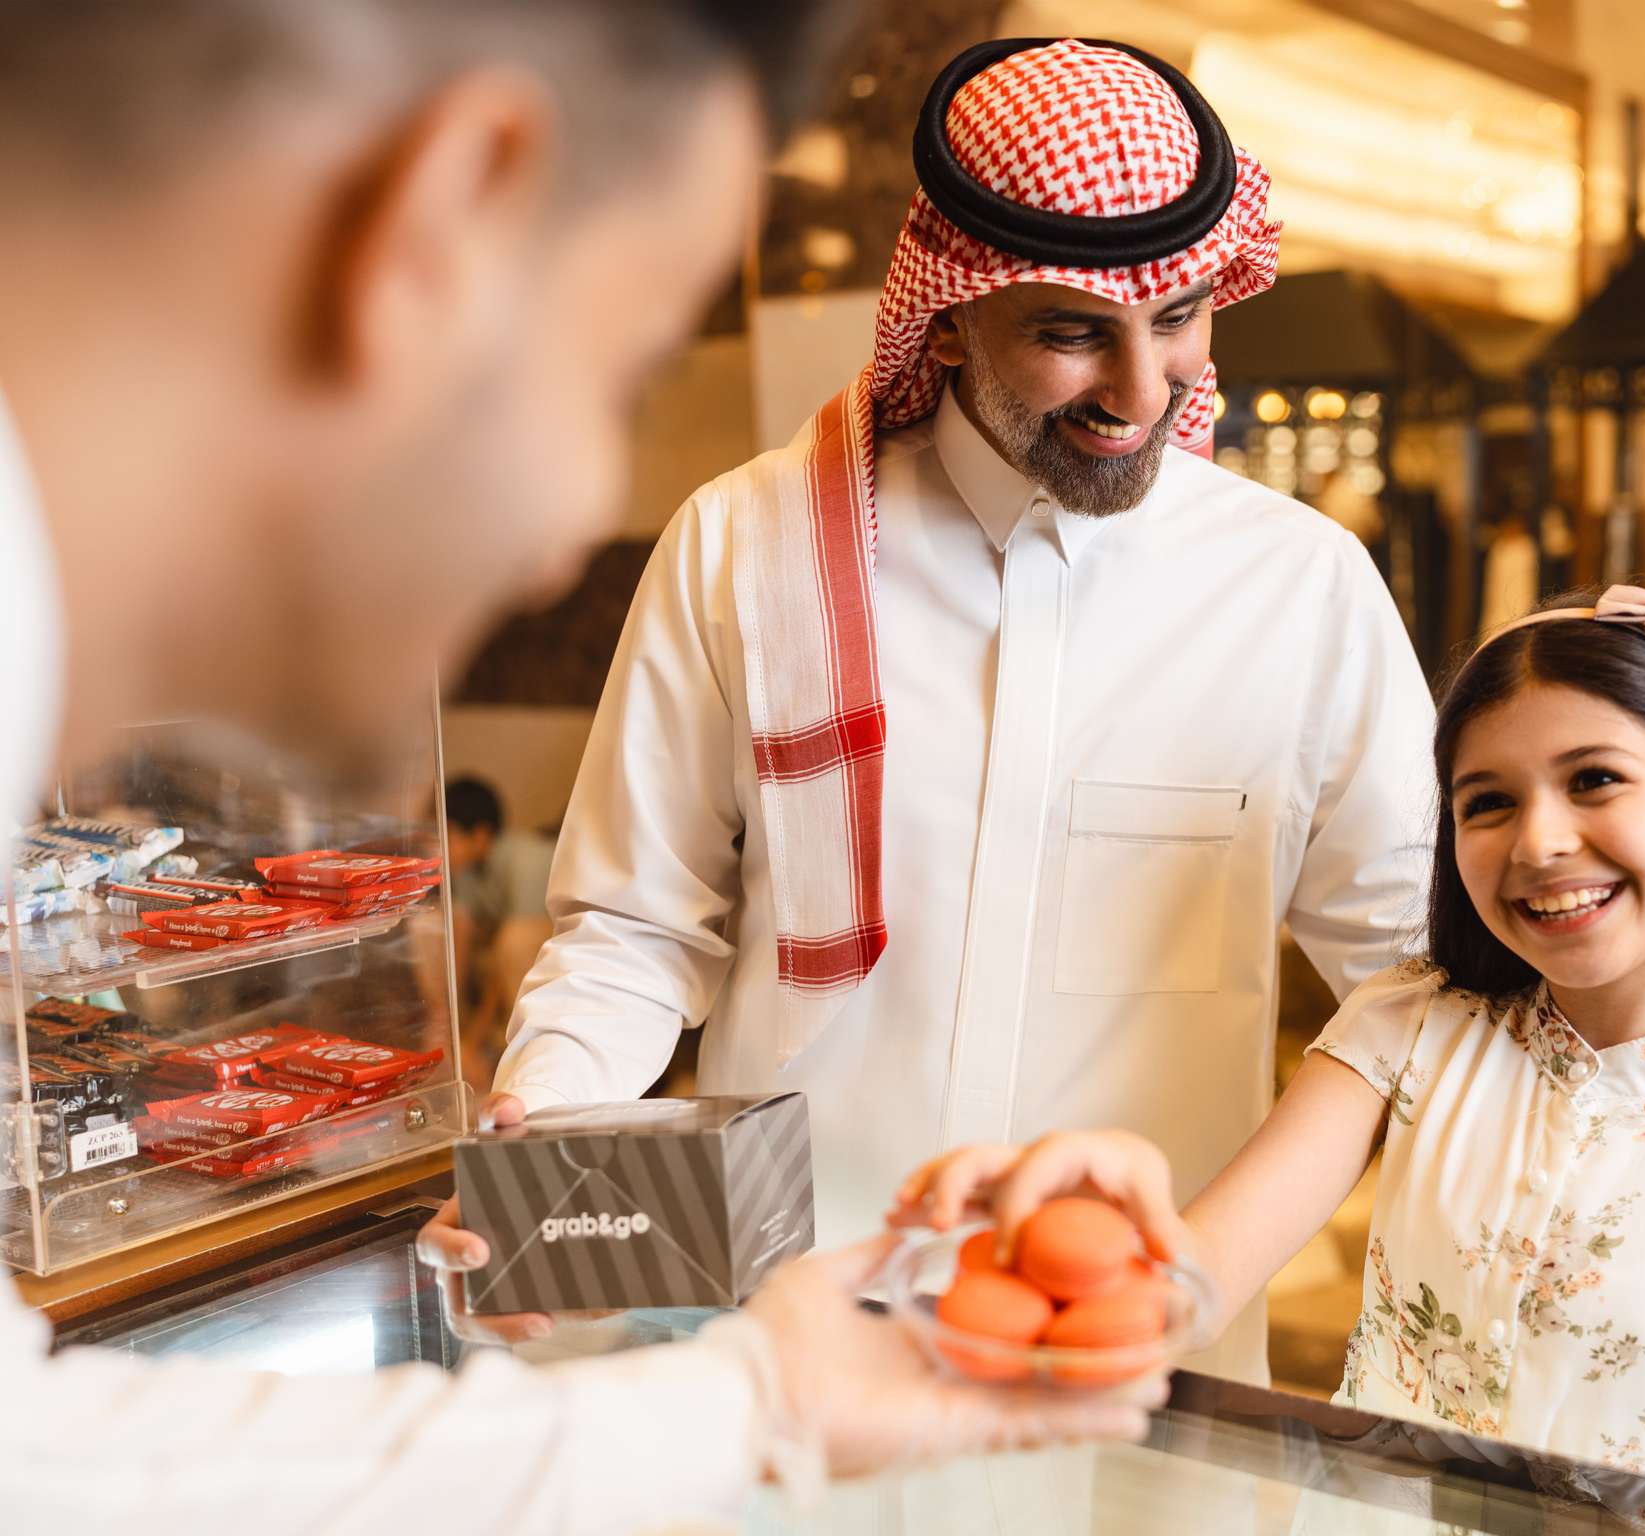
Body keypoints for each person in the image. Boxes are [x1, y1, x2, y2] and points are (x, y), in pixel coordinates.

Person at [448, 36, 1645, 1383]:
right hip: (799, 1336)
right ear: (949, 317)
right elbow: (636, 928)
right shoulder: (749, 545)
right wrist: (540, 1133)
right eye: (1071, 333)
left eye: (1177, 318)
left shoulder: (1298, 585)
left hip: (1147, 1360)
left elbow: (1440, 963)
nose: (1141, 389)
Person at [0, 4, 1159, 1530]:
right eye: (622, 371)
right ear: (443, 225)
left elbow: (43, 1458)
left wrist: (755, 1404)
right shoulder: (752, 542)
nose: (574, 525)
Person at [897, 587, 1645, 1526]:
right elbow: (1190, 1281)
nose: (1538, 841)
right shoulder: (1408, 1027)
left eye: (1594, 780)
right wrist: (1080, 1241)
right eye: (1488, 801)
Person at [444, 775, 558, 1087]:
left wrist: (474, 1038)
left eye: (449, 835)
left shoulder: (526, 860)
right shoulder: (468, 872)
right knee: (439, 926)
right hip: (514, 938)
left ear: (480, 835)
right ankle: (455, 1040)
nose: (441, 846)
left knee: (512, 941)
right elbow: (460, 931)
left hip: (556, 932)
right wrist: (451, 1021)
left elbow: (507, 952)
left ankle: (525, 1054)